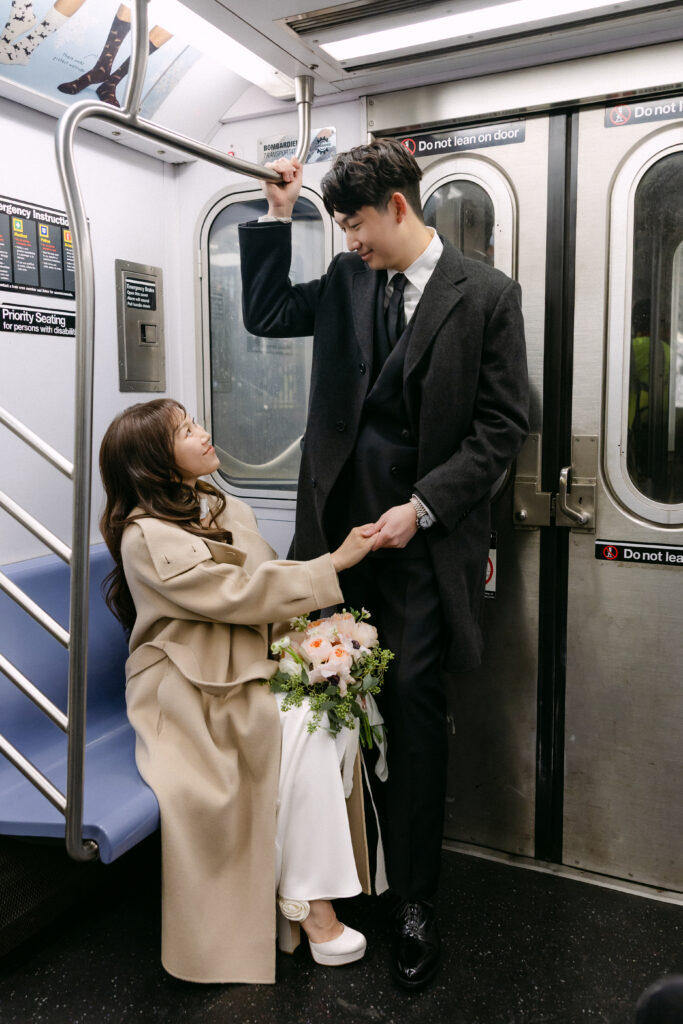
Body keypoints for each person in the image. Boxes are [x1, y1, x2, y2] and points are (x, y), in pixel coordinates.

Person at [239, 138, 529, 988]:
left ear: (399, 207)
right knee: (325, 701)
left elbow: (501, 427)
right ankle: (339, 881)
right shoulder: (343, 281)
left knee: (408, 703)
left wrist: (424, 506)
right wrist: (277, 213)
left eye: (356, 223)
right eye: (337, 224)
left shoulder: (488, 297)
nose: (350, 239)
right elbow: (262, 312)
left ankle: (413, 903)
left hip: (424, 549)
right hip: (336, 542)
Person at [99, 398, 380, 984]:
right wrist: (338, 561)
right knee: (304, 722)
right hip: (185, 683)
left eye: (197, 421)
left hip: (241, 666)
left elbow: (256, 582)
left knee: (328, 715)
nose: (204, 433)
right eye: (186, 430)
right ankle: (313, 906)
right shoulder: (144, 536)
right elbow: (237, 594)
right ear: (155, 460)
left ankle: (304, 893)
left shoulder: (219, 503)